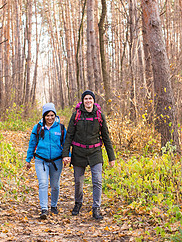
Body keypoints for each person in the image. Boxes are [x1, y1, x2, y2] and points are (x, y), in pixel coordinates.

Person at [62, 90, 115, 220]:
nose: (88, 101)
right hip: (79, 152)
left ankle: (96, 207)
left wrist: (111, 157)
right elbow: (69, 135)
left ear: (93, 100)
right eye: (86, 99)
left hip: (95, 152)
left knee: (97, 181)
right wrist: (65, 154)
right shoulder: (76, 115)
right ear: (83, 101)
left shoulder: (99, 115)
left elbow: (106, 137)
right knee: (78, 181)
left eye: (90, 98)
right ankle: (78, 203)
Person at [26, 103, 66, 219]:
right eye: (47, 115)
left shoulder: (61, 128)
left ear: (55, 115)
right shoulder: (37, 127)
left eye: (52, 115)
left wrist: (66, 156)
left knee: (55, 185)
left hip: (56, 161)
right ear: (44, 116)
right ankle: (44, 209)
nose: (50, 118)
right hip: (40, 160)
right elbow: (32, 144)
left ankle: (53, 205)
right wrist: (28, 160)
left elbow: (65, 144)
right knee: (43, 183)